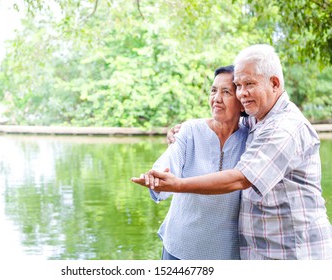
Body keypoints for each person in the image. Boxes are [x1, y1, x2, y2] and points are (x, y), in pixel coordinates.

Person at [132, 44, 332, 260]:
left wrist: (178, 185)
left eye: (248, 85)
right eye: (237, 86)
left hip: (295, 253)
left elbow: (240, 179)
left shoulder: (283, 127)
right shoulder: (255, 122)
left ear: (274, 83)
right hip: (249, 252)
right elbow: (220, 124)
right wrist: (178, 138)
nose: (242, 93)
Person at [136, 65, 248, 260]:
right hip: (179, 247)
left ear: (241, 100)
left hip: (225, 253)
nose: (216, 99)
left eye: (226, 92)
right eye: (213, 91)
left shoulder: (251, 139)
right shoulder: (189, 131)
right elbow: (170, 161)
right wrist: (157, 177)